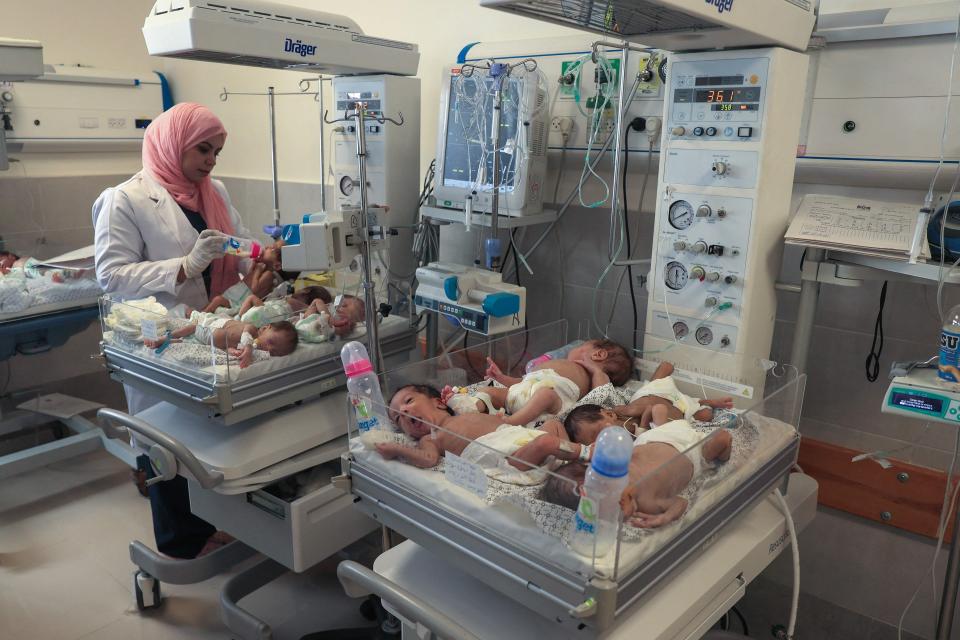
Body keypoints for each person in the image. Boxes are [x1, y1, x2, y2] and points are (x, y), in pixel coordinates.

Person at [92, 102, 257, 558]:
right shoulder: (123, 199)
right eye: (203, 149)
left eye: (217, 152)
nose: (210, 160)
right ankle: (179, 543)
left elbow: (236, 245)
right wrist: (182, 267)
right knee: (162, 436)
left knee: (204, 435)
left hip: (209, 325)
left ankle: (211, 522)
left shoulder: (214, 192)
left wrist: (263, 258)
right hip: (157, 337)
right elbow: (111, 275)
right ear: (174, 144)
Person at [541, 404, 734, 529]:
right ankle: (662, 419)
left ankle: (655, 418)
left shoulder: (610, 461)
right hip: (693, 453)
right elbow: (680, 503)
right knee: (722, 439)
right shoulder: (645, 503)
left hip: (655, 437)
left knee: (658, 410)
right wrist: (664, 518)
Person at [481, 339, 633, 426]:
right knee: (489, 391)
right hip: (523, 395)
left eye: (581, 346)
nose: (573, 349)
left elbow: (601, 393)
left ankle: (512, 422)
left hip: (549, 406)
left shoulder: (593, 375)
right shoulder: (562, 364)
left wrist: (596, 371)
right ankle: (471, 406)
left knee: (545, 394)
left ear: (599, 354)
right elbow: (522, 382)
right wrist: (501, 378)